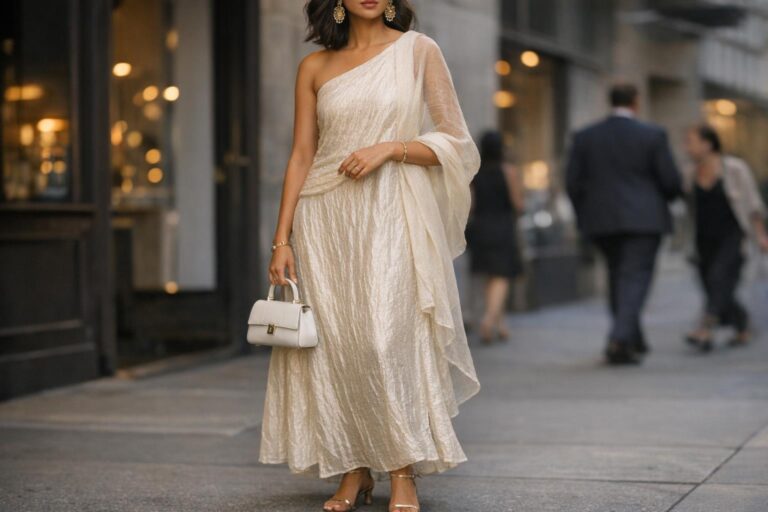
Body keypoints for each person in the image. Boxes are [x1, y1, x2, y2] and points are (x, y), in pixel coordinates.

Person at [259, 2, 481, 511]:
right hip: (324, 217)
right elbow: (300, 154)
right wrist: (282, 239)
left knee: (384, 341)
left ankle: (403, 470)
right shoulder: (314, 66)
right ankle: (353, 469)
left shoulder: (418, 51)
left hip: (390, 212)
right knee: (335, 347)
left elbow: (456, 143)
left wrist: (390, 148)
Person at [565, 83, 682, 365]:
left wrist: (585, 213)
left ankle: (631, 339)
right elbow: (670, 181)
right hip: (644, 219)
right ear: (636, 102)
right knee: (633, 277)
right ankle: (619, 338)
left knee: (620, 276)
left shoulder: (585, 136)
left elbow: (571, 181)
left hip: (600, 220)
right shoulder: (653, 135)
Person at [682, 123, 768, 351]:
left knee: (719, 277)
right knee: (714, 286)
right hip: (703, 240)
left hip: (732, 236)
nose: (687, 147)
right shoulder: (689, 173)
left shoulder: (734, 169)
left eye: (691, 141)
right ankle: (742, 325)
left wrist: (761, 236)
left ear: (708, 144)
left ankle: (705, 328)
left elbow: (752, 204)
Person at [466, 130, 524, 344]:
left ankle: (501, 324)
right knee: (501, 275)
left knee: (489, 275)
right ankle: (488, 321)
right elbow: (518, 204)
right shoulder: (508, 171)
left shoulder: (475, 172)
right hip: (502, 227)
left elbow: (471, 206)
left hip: (480, 228)